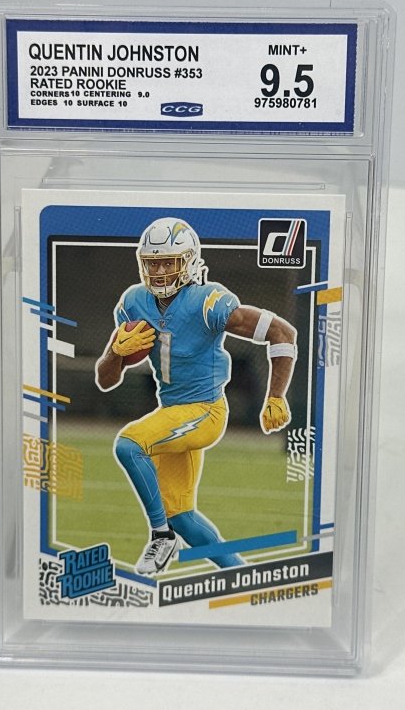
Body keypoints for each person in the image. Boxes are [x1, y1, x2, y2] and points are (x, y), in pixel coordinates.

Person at [96, 217, 297, 576]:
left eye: (168, 262)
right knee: (183, 517)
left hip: (205, 411)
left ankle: (161, 536)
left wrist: (276, 396)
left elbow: (282, 332)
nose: (159, 272)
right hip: (173, 412)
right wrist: (114, 351)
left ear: (188, 261)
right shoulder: (134, 302)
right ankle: (243, 577)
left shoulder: (208, 301)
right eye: (153, 263)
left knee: (129, 445)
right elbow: (106, 380)